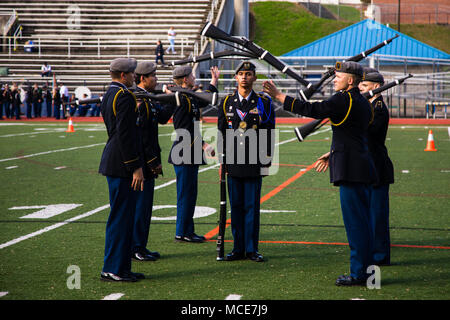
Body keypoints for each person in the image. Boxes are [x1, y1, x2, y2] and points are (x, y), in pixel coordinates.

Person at [263, 61, 376, 286]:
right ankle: (368, 273)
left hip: (351, 170)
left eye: (339, 76)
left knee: (355, 225)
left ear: (350, 80)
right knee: (363, 223)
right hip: (361, 166)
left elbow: (312, 109)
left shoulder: (343, 99)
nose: (335, 79)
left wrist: (279, 96)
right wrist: (332, 152)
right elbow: (354, 135)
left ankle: (360, 274)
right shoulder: (362, 102)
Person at [218, 61, 275, 262]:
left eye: (248, 74)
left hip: (254, 162)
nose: (244, 77)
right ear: (235, 77)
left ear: (254, 78)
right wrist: (222, 163)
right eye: (241, 73)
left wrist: (267, 160)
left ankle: (251, 249)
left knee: (251, 207)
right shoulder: (226, 102)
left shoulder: (264, 102)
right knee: (236, 207)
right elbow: (221, 134)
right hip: (233, 162)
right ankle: (237, 248)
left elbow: (269, 132)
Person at [99, 57, 146, 282]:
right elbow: (126, 135)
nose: (135, 77)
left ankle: (121, 267)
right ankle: (113, 268)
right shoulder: (125, 96)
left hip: (115, 160)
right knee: (121, 217)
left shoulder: (110, 94)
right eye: (133, 73)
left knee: (124, 217)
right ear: (124, 76)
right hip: (121, 164)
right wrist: (135, 167)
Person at [169, 65, 219, 243]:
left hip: (189, 151)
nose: (194, 77)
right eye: (191, 75)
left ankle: (187, 231)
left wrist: (214, 81)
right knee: (185, 194)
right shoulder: (181, 98)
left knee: (190, 194)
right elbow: (182, 129)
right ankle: (182, 232)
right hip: (184, 151)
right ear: (184, 80)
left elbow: (204, 100)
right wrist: (204, 145)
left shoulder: (187, 96)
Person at [131, 61, 175, 261]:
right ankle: (136, 248)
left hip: (147, 161)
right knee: (140, 208)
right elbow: (142, 137)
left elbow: (162, 118)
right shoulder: (138, 100)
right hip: (143, 162)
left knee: (145, 207)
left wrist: (173, 99)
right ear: (143, 78)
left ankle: (141, 245)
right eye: (153, 76)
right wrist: (151, 161)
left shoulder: (147, 99)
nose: (156, 79)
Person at [359, 67, 394, 266]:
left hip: (377, 166)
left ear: (377, 87)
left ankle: (380, 255)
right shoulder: (367, 106)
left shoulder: (378, 108)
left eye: (364, 86)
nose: (361, 89)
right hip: (367, 166)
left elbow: (368, 135)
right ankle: (372, 251)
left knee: (377, 214)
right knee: (368, 212)